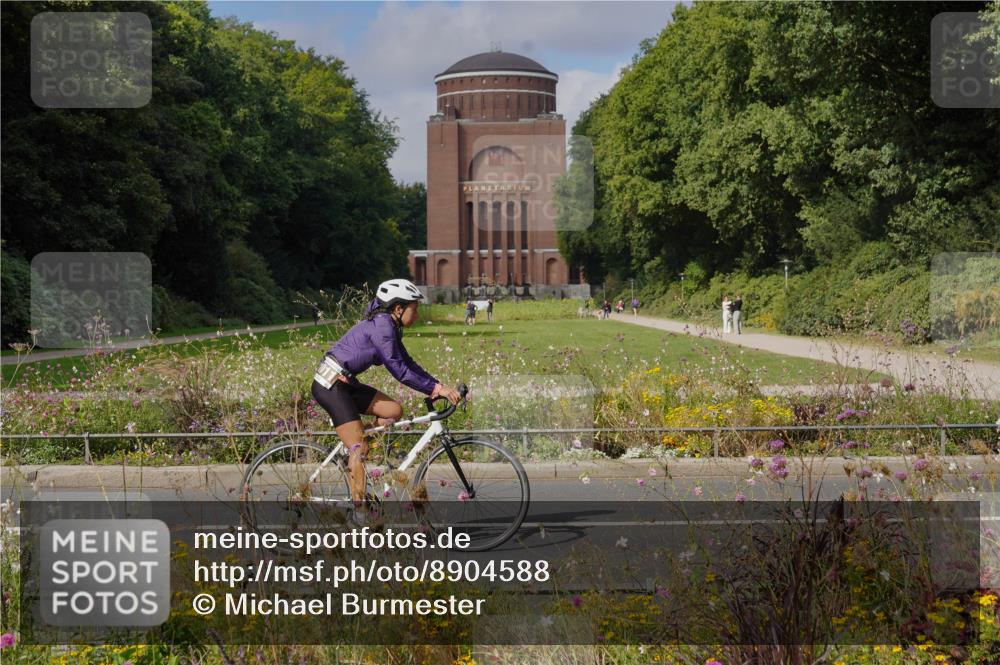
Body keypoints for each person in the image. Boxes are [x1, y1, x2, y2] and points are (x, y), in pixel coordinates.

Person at [312, 279, 462, 521]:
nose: (418, 313)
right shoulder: (382, 328)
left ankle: (354, 457)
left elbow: (408, 362)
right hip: (330, 386)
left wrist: (437, 387)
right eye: (416, 307)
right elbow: (400, 371)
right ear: (399, 308)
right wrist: (436, 389)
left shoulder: (389, 325)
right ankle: (360, 517)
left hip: (346, 383)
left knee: (393, 411)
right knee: (359, 447)